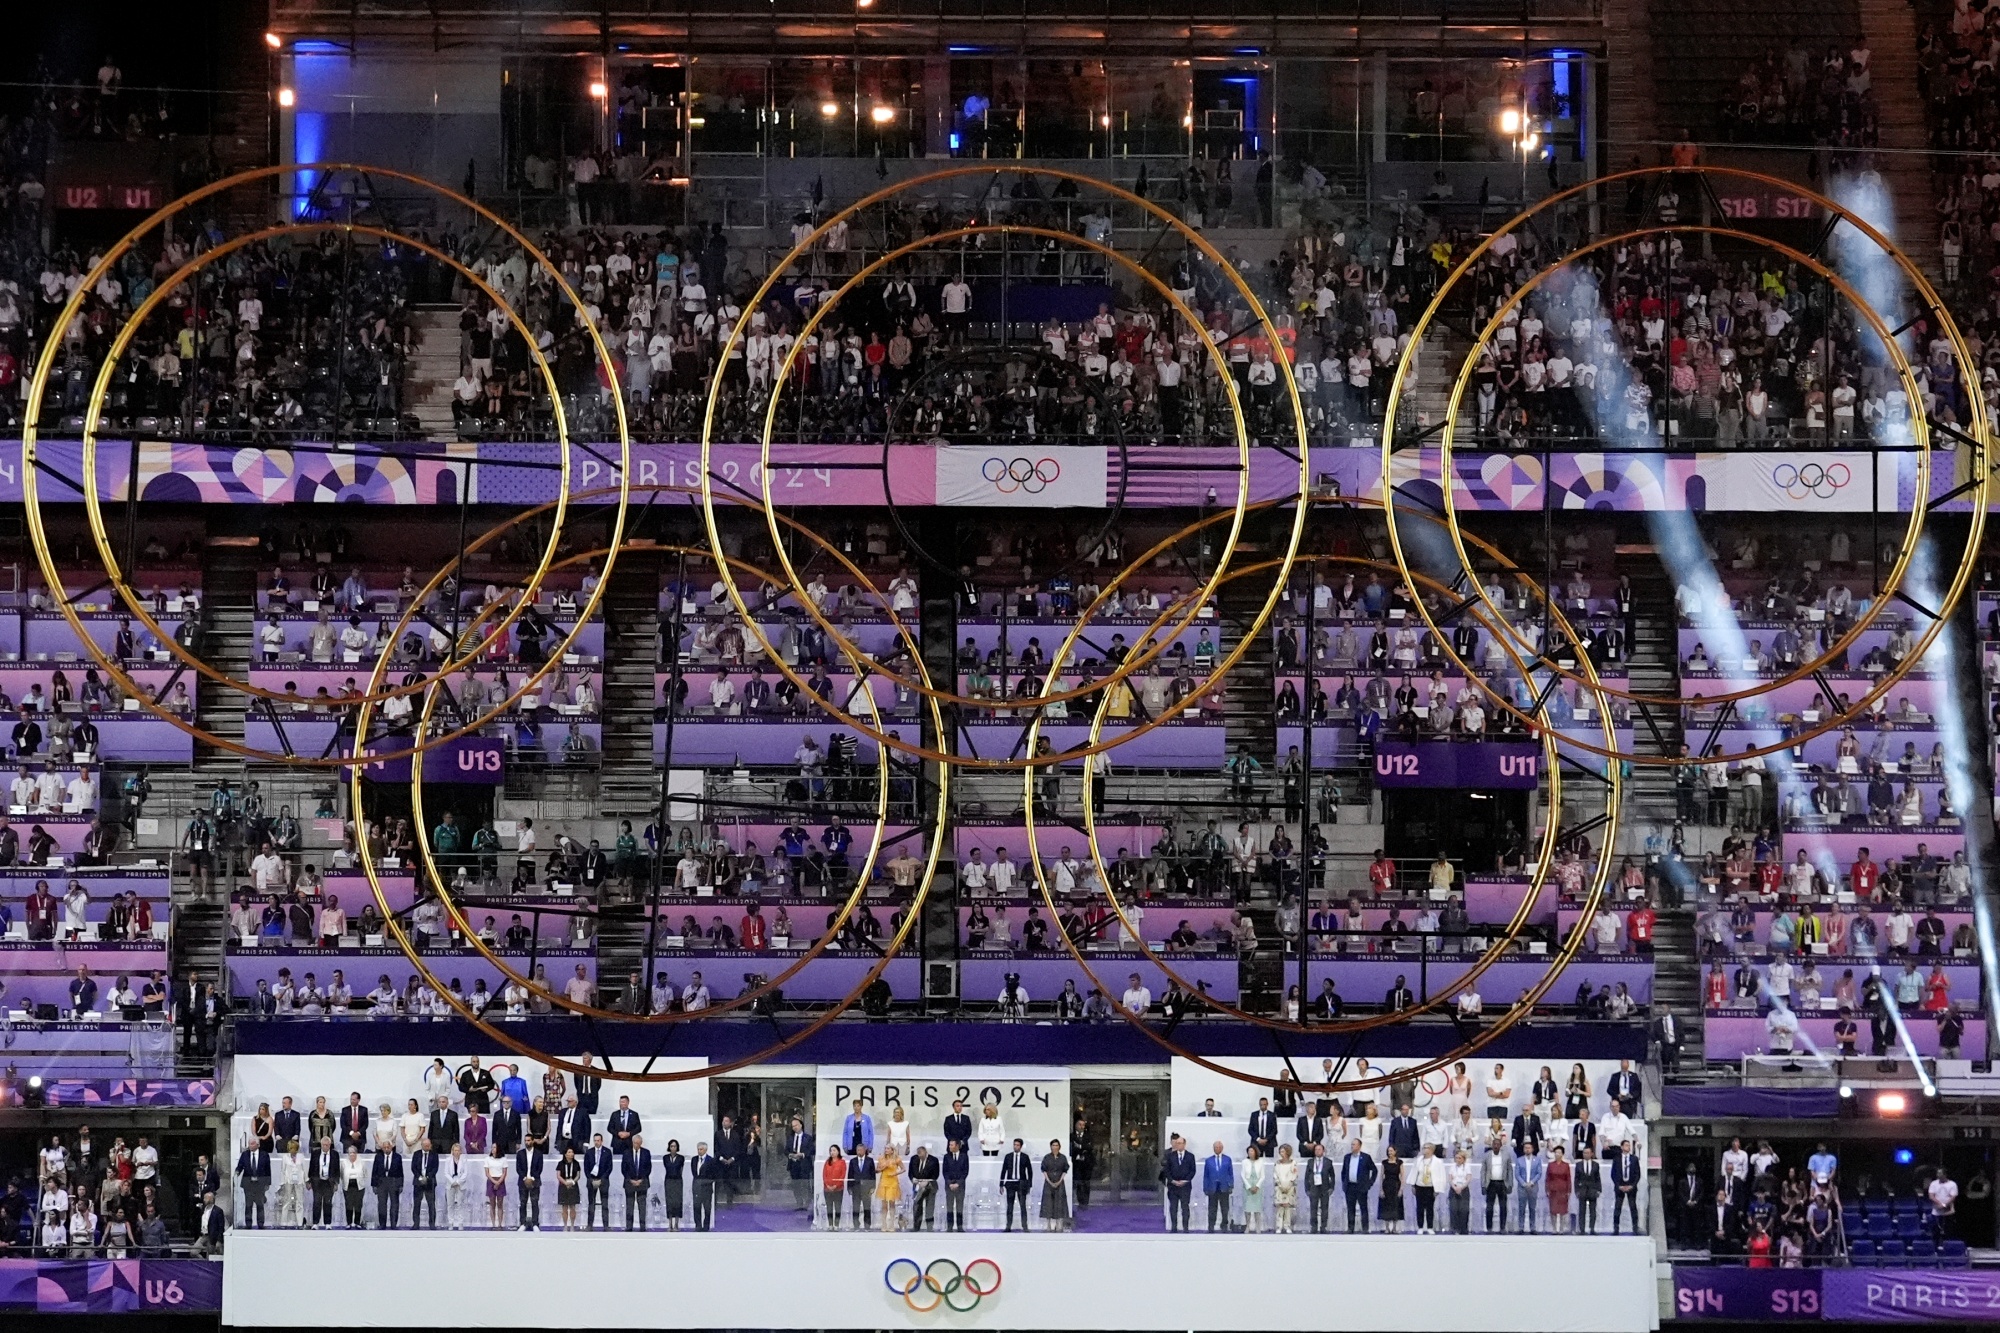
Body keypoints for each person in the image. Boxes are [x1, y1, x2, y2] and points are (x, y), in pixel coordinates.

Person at [1161, 1134, 1196, 1231]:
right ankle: (1174, 1227)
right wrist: (1172, 1180)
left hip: (1185, 1187)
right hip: (1173, 1187)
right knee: (1173, 1207)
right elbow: (1167, 1170)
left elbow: (1192, 1171)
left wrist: (1185, 1181)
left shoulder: (1190, 1156)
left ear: (1184, 1144)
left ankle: (1185, 1227)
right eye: (1177, 1143)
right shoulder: (1170, 1156)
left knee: (1185, 1207)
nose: (1178, 1145)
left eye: (1180, 1143)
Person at [1341, 1138, 1377, 1232]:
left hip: (1361, 1187)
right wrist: (1344, 1183)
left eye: (1354, 1144)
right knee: (1350, 1208)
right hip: (1350, 1187)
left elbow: (1374, 1170)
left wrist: (1369, 1183)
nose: (1352, 1146)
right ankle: (1350, 1228)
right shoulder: (1347, 1157)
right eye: (1351, 1144)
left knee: (1363, 1208)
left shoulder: (1366, 1157)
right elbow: (1344, 1172)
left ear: (1359, 1146)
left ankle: (1365, 1228)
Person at [1000, 1137, 1034, 1231]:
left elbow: (1029, 1171)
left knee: (1023, 1205)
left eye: (1017, 1145)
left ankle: (1025, 1226)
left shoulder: (1025, 1157)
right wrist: (1001, 1184)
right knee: (1009, 1206)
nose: (1015, 1147)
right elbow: (1004, 1170)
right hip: (1010, 1183)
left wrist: (1029, 1184)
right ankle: (1008, 1226)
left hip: (1021, 1183)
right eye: (1014, 1145)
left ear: (1021, 1146)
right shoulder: (1008, 1156)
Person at [783, 1116, 815, 1213]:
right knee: (795, 1185)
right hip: (794, 1164)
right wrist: (790, 1155)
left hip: (804, 1164)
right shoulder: (790, 1138)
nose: (795, 1128)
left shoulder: (808, 1138)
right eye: (793, 1126)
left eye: (796, 1125)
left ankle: (807, 1203)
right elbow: (786, 1150)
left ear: (801, 1125)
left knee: (805, 1184)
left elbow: (812, 1150)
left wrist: (803, 1154)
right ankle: (799, 1203)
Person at [1041, 1139, 1072, 1232]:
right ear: (1051, 1146)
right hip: (1048, 1182)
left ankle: (1059, 1224)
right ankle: (1048, 1225)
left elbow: (1065, 1170)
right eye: (1053, 1145)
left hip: (1060, 1182)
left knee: (1060, 1203)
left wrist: (1059, 1181)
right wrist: (1049, 1181)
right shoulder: (1047, 1157)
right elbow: (1044, 1170)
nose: (1055, 1147)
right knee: (1048, 1203)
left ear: (1059, 1146)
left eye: (1056, 1145)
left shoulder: (1063, 1158)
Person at [1203, 1139, 1234, 1232]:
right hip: (1212, 1188)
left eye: (1219, 1147)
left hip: (1224, 1187)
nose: (1217, 1149)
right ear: (1213, 1148)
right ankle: (1211, 1226)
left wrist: (1231, 1185)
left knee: (1225, 1208)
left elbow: (1230, 1173)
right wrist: (1205, 1187)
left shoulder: (1227, 1159)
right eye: (1216, 1147)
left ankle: (1224, 1225)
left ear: (1222, 1148)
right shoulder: (1209, 1160)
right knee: (1212, 1208)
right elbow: (1206, 1175)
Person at [584, 1134, 614, 1229]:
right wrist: (591, 1179)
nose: (596, 1142)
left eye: (598, 1140)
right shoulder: (589, 1152)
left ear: (601, 1141)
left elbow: (609, 1167)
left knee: (604, 1204)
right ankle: (590, 1225)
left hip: (603, 1181)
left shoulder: (607, 1152)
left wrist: (602, 1179)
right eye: (595, 1140)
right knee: (591, 1204)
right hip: (592, 1181)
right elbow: (586, 1168)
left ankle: (606, 1225)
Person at [908, 1144, 940, 1231]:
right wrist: (913, 1179)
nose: (920, 1157)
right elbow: (910, 1172)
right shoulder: (914, 1159)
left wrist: (927, 1181)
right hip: (918, 1185)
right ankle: (916, 1227)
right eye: (919, 1156)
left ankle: (930, 1227)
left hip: (930, 1186)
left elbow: (936, 1175)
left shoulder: (934, 1160)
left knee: (930, 1206)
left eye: (922, 1155)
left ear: (926, 1152)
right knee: (917, 1206)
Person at [691, 1141, 720, 1231]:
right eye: (698, 1149)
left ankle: (706, 1225)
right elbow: (694, 1172)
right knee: (696, 1206)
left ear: (706, 1150)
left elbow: (714, 1174)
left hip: (706, 1187)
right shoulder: (694, 1159)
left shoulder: (711, 1160)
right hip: (697, 1186)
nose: (699, 1151)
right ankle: (698, 1225)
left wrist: (706, 1181)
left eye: (701, 1149)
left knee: (707, 1207)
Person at [942, 1139, 970, 1231]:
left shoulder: (964, 1156)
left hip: (960, 1186)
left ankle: (960, 1226)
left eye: (951, 1145)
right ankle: (949, 1226)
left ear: (957, 1146)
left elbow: (965, 1172)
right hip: (949, 1186)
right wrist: (950, 1183)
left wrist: (958, 1183)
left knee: (959, 1206)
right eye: (949, 1145)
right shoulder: (946, 1157)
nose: (950, 1147)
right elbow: (945, 1172)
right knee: (949, 1206)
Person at [875, 1145, 904, 1232]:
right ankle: (883, 1225)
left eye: (888, 1149)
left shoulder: (897, 1159)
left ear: (892, 1150)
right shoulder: (881, 1158)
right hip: (884, 1181)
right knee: (884, 1204)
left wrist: (895, 1173)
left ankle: (892, 1225)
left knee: (892, 1203)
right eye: (885, 1148)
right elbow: (877, 1170)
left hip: (893, 1182)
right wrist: (883, 1167)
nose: (886, 1150)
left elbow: (903, 1169)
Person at [820, 1145, 847, 1230]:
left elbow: (842, 1175)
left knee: (838, 1206)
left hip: (838, 1189)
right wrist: (827, 1185)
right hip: (827, 1189)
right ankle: (830, 1224)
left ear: (838, 1151)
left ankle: (837, 1225)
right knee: (829, 1207)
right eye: (831, 1151)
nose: (832, 1152)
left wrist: (836, 1185)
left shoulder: (842, 1162)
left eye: (834, 1150)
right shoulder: (827, 1162)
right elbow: (824, 1175)